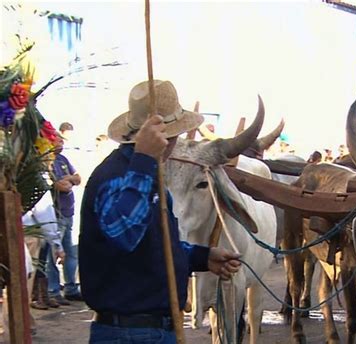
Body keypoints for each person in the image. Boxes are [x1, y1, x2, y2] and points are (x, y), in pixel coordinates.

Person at [79, 79, 242, 343]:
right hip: (131, 334)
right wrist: (144, 158)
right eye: (174, 133)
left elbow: (154, 243)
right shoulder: (118, 177)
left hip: (151, 330)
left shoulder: (150, 177)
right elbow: (125, 236)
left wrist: (202, 257)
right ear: (164, 138)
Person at [48, 134, 82, 304]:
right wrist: (67, 181)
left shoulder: (63, 159)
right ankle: (53, 291)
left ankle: (71, 288)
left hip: (68, 212)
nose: (60, 143)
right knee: (54, 254)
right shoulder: (47, 161)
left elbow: (77, 178)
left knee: (70, 253)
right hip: (56, 214)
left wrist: (68, 179)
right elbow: (59, 186)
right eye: (58, 140)